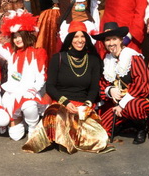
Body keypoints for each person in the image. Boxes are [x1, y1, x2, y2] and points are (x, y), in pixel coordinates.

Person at [23, 21, 110, 154]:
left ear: (86, 39)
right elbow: (50, 86)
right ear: (69, 40)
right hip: (61, 104)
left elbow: (94, 88)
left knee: (101, 139)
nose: (79, 40)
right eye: (75, 37)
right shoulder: (57, 58)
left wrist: (86, 105)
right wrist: (66, 103)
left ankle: (70, 138)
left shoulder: (93, 60)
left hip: (82, 107)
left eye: (82, 36)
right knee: (59, 118)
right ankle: (65, 138)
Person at [0, 10, 49, 141]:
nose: (17, 39)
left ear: (27, 35)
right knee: (15, 136)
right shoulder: (11, 53)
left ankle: (32, 127)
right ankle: (19, 119)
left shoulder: (38, 52)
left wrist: (34, 89)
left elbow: (42, 76)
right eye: (14, 36)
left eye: (20, 35)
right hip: (12, 94)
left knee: (29, 106)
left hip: (29, 93)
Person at [93, 22, 149, 145]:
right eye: (107, 40)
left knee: (134, 107)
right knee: (101, 130)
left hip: (141, 100)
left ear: (121, 40)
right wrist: (110, 90)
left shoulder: (132, 56)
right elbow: (103, 84)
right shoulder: (107, 60)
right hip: (119, 104)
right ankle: (127, 123)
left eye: (114, 39)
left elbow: (143, 86)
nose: (111, 43)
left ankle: (141, 129)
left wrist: (122, 104)